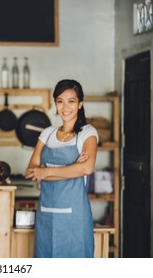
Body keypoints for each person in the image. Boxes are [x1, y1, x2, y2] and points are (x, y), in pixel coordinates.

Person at [25, 79, 98, 258]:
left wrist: (46, 171)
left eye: (71, 101)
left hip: (75, 216)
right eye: (60, 101)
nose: (65, 107)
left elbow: (87, 168)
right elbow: (31, 171)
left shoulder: (87, 133)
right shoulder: (47, 133)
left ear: (80, 104)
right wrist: (72, 169)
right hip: (46, 213)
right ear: (55, 104)